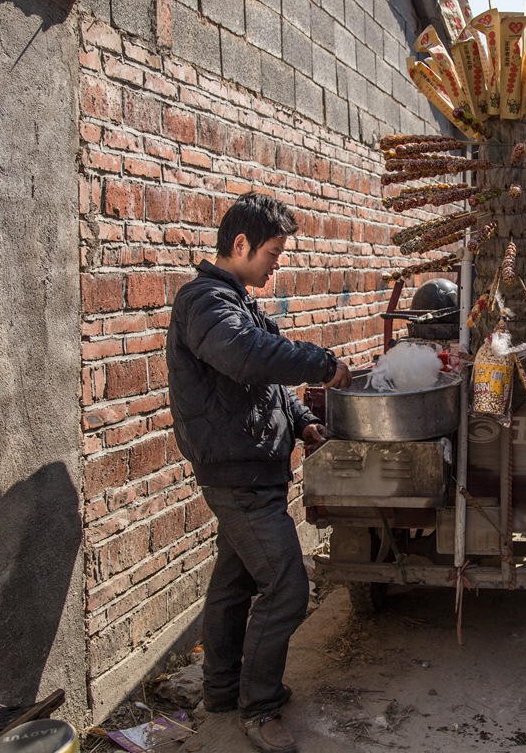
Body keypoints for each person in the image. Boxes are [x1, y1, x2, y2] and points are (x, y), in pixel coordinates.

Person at [167, 192, 352, 753]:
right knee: (287, 586)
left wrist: (302, 424)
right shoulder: (204, 303)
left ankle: (221, 691)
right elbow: (250, 358)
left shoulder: (237, 303)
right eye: (272, 251)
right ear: (240, 244)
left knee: (235, 584)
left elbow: (263, 383)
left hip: (254, 468)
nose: (277, 262)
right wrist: (323, 364)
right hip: (238, 477)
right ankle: (260, 706)